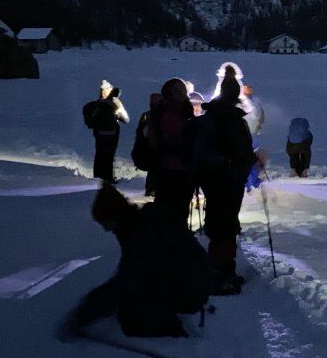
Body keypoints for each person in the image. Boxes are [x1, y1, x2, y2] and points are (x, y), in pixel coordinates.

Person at [60, 185, 211, 340]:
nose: (105, 229)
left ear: (114, 215)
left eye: (105, 222)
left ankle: (170, 328)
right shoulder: (141, 223)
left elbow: (128, 279)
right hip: (192, 279)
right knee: (130, 299)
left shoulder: (139, 233)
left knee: (131, 317)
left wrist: (87, 311)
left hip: (191, 289)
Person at [194, 68, 264, 294]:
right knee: (226, 223)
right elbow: (241, 150)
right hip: (229, 179)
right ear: (235, 95)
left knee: (218, 221)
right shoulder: (234, 120)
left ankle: (218, 268)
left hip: (212, 178)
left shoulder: (208, 118)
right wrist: (252, 159)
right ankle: (222, 272)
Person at [139, 78, 196, 228]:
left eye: (182, 91)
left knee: (170, 210)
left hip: (169, 169)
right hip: (174, 169)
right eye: (178, 91)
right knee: (175, 211)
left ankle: (169, 241)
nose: (181, 94)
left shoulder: (163, 112)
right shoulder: (173, 113)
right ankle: (174, 242)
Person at [83, 80, 129, 183]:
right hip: (112, 132)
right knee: (109, 156)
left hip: (99, 132)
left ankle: (99, 176)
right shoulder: (115, 103)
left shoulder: (96, 104)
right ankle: (108, 177)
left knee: (100, 154)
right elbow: (126, 119)